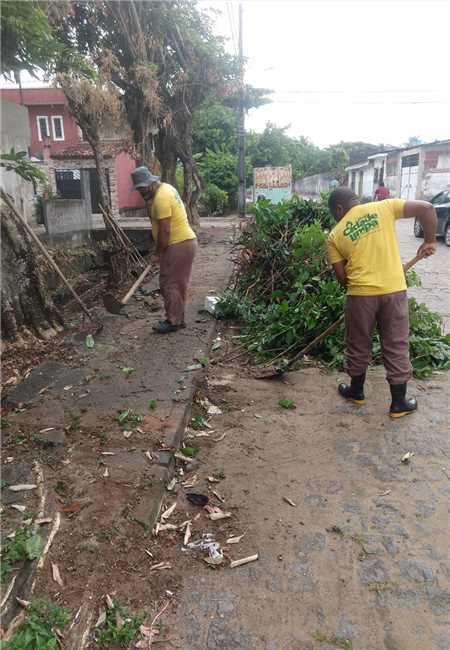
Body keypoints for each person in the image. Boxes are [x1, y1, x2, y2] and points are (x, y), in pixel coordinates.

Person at [326, 187, 437, 417]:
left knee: (357, 343)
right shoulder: (384, 207)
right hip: (394, 290)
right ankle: (398, 403)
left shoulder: (335, 235)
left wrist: (360, 292)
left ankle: (356, 392)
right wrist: (429, 241)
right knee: (396, 344)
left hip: (359, 294)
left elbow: (342, 279)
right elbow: (427, 208)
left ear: (338, 208)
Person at [131, 166, 198, 334]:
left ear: (150, 183)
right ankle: (177, 318)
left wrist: (158, 254)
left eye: (142, 188)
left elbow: (165, 230)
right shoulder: (166, 188)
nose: (140, 192)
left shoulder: (161, 198)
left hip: (178, 244)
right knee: (176, 283)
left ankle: (173, 321)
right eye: (138, 189)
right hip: (181, 243)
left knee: (170, 284)